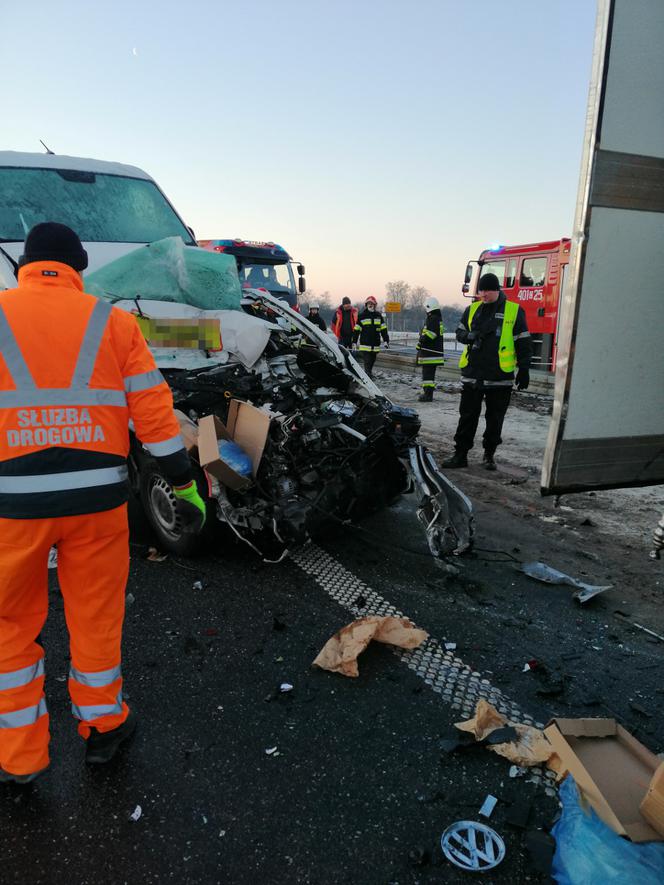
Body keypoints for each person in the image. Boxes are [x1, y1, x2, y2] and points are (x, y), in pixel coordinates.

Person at [0, 223, 207, 783]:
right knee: (95, 616)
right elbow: (154, 413)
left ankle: (19, 758)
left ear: (26, 264)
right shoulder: (111, 322)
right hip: (97, 502)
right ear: (78, 267)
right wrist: (181, 481)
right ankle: (103, 728)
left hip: (11, 506)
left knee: (9, 625)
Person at [442, 272, 531, 470]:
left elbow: (524, 341)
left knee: (495, 420)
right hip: (473, 374)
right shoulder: (472, 309)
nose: (483, 294)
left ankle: (489, 455)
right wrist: (469, 336)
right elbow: (459, 332)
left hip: (499, 377)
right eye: (481, 290)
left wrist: (524, 368)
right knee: (467, 417)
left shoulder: (514, 311)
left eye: (487, 291)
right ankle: (460, 454)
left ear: (496, 290)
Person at [416, 296, 445, 402]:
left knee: (427, 376)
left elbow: (431, 335)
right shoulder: (437, 318)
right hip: (433, 353)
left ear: (429, 307)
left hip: (429, 354)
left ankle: (427, 395)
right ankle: (428, 393)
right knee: (429, 375)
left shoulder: (433, 319)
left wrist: (420, 342)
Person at [352, 296, 389, 378]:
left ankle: (369, 375)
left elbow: (383, 329)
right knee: (367, 362)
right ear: (366, 305)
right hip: (365, 346)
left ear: (375, 305)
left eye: (372, 303)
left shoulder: (378, 316)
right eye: (369, 303)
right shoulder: (362, 316)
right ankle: (367, 377)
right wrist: (354, 342)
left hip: (375, 346)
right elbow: (356, 330)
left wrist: (386, 340)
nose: (370, 305)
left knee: (372, 362)